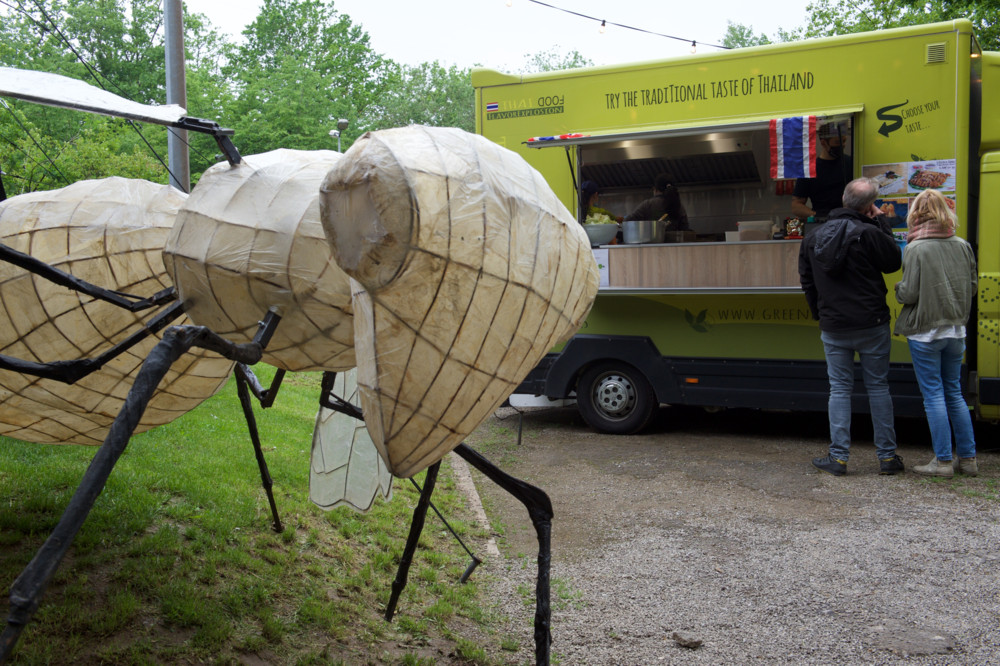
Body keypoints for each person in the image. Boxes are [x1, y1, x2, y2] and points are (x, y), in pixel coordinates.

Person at [798, 177, 904, 476]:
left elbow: (807, 282)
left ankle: (839, 457)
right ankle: (886, 458)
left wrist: (821, 314)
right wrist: (883, 224)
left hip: (834, 325)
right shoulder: (869, 233)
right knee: (878, 387)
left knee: (840, 389)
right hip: (872, 322)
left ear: (844, 199)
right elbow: (893, 262)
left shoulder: (812, 238)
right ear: (871, 206)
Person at [893, 189, 978, 477]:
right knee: (954, 392)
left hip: (925, 332)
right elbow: (973, 286)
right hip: (955, 330)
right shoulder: (962, 244)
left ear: (916, 214)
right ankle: (968, 459)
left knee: (933, 396)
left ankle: (942, 461)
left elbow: (909, 293)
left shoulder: (916, 248)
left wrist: (897, 289)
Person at [791, 122, 853, 223]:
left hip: (849, 222)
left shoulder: (852, 163)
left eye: (844, 141)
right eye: (837, 142)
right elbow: (796, 206)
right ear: (823, 143)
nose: (842, 145)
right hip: (822, 226)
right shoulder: (809, 170)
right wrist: (818, 216)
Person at [623, 174, 689, 231]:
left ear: (655, 189)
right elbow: (685, 228)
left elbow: (627, 221)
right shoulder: (678, 205)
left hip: (651, 243)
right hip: (675, 244)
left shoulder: (647, 204)